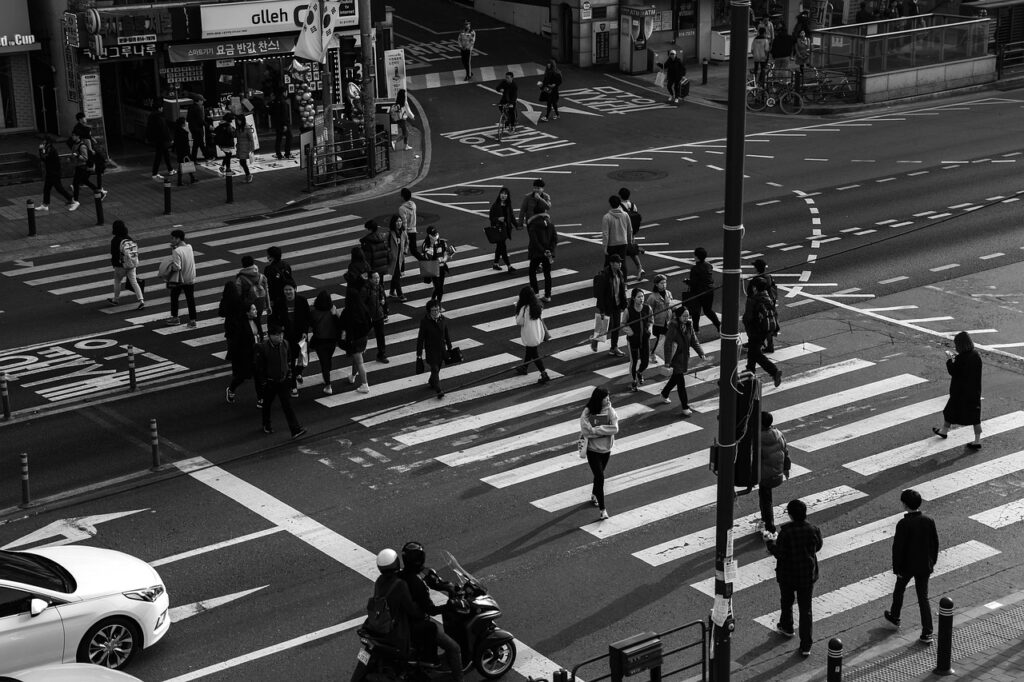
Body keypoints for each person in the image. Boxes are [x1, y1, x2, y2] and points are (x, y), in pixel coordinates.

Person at [765, 498, 823, 657]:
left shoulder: (786, 532)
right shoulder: (813, 529)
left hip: (788, 575)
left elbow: (780, 554)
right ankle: (806, 645)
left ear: (790, 515)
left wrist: (769, 543)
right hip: (806, 575)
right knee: (806, 610)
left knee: (787, 600)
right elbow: (818, 546)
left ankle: (787, 627)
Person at [398, 542, 463, 681]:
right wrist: (450, 606)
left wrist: (448, 587)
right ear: (420, 558)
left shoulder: (400, 575)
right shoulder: (417, 583)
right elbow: (431, 610)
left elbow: (436, 581)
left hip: (402, 623)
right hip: (417, 624)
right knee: (454, 648)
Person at [884, 489, 940, 643]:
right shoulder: (928, 520)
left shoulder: (903, 524)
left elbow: (898, 549)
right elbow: (935, 543)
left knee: (899, 590)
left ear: (905, 505)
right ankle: (927, 632)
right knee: (923, 598)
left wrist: (897, 569)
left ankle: (895, 616)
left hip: (907, 566)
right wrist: (932, 562)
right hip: (924, 566)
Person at [363, 549, 423, 660]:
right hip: (395, 626)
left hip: (380, 620)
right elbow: (410, 608)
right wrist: (421, 612)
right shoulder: (400, 584)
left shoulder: (379, 580)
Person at [254, 323, 306, 438]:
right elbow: (259, 368)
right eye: (277, 335)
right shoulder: (262, 348)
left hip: (282, 381)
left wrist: (289, 375)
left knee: (287, 405)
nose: (280, 337)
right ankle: (266, 424)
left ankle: (295, 429)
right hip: (270, 382)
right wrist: (263, 382)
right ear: (270, 336)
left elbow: (288, 360)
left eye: (281, 335)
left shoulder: (285, 344)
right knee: (267, 404)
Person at [932, 331, 983, 448]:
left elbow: (954, 371)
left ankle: (944, 431)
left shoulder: (961, 358)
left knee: (950, 411)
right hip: (974, 392)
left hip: (959, 392)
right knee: (975, 417)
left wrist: (950, 360)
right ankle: (977, 440)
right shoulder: (976, 355)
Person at [579, 387, 619, 520]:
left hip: (606, 450)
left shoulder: (610, 411)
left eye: (608, 397)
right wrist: (603, 431)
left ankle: (594, 494)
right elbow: (585, 431)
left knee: (598, 476)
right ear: (598, 398)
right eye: (605, 397)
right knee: (600, 477)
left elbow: (615, 428)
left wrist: (596, 430)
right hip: (592, 451)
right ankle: (602, 509)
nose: (608, 399)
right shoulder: (587, 412)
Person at [659, 305, 705, 417]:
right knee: (681, 383)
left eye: (687, 316)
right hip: (675, 358)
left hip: (684, 357)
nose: (686, 318)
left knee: (675, 378)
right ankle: (685, 407)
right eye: (684, 316)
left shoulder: (689, 325)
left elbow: (694, 340)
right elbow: (668, 345)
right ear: (679, 316)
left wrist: (701, 352)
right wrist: (667, 362)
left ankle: (664, 393)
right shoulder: (673, 327)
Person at [269, 280, 311, 398]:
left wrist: (305, 331)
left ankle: (298, 373)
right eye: (285, 290)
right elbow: (274, 318)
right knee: (290, 361)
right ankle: (293, 386)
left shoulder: (302, 301)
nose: (288, 292)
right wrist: (279, 329)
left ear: (295, 289)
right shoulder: (280, 302)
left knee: (304, 359)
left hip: (300, 335)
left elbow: (307, 317)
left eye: (290, 289)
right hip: (287, 337)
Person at [219, 280, 258, 404]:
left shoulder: (225, 300)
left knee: (234, 349)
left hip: (230, 328)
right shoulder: (238, 300)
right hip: (240, 329)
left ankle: (236, 369)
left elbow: (221, 312)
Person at [343, 248, 373, 393]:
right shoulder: (364, 309)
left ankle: (365, 384)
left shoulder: (350, 310)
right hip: (363, 336)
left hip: (355, 337)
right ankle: (353, 375)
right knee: (358, 356)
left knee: (359, 360)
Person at [743, 278, 783, 387]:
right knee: (753, 350)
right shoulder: (768, 297)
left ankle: (774, 371)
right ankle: (749, 370)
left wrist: (748, 328)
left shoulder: (753, 299)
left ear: (755, 287)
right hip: (766, 329)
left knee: (756, 353)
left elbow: (748, 317)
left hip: (756, 329)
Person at [758, 412, 791, 534]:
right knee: (766, 497)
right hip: (778, 473)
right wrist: (786, 468)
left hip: (764, 475)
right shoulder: (778, 434)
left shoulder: (758, 438)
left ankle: (769, 526)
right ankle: (765, 521)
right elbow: (785, 451)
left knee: (765, 499)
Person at [416, 299, 453, 399]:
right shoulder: (425, 322)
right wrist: (419, 354)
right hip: (431, 351)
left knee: (437, 369)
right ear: (429, 311)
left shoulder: (443, 319)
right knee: (435, 369)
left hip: (441, 350)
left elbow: (446, 334)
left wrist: (449, 346)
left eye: (437, 309)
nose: (436, 312)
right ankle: (438, 390)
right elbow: (421, 338)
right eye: (433, 310)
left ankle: (432, 381)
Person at [591, 255, 627, 356]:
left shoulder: (620, 273)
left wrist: (624, 304)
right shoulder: (604, 276)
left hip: (617, 304)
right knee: (607, 325)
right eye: (617, 262)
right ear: (611, 263)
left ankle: (614, 348)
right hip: (608, 305)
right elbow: (601, 295)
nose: (620, 264)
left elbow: (622, 290)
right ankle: (595, 339)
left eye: (620, 262)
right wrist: (602, 309)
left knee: (616, 326)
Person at [514, 286, 551, 384]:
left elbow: (519, 321)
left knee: (534, 354)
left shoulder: (525, 308)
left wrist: (517, 311)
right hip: (537, 332)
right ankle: (524, 367)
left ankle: (544, 373)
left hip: (529, 334)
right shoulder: (537, 305)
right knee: (530, 350)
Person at [309, 291, 342, 395]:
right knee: (328, 359)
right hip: (332, 340)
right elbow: (339, 323)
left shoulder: (314, 312)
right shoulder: (332, 309)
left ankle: (328, 385)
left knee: (323, 362)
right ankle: (327, 377)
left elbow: (311, 324)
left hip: (319, 340)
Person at [107, 220, 145, 309]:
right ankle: (141, 300)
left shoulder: (115, 240)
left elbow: (114, 254)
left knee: (117, 281)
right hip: (131, 263)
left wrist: (115, 264)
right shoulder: (129, 238)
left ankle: (116, 299)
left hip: (120, 265)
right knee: (134, 281)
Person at [686, 247, 722, 338]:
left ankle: (696, 331)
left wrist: (687, 281)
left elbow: (694, 283)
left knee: (696, 312)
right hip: (709, 291)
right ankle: (718, 325)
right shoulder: (708, 265)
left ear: (696, 257)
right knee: (708, 310)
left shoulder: (695, 268)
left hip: (699, 292)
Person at [36, 135, 77, 212]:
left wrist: (40, 150)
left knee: (59, 188)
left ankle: (73, 201)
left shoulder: (51, 150)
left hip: (54, 173)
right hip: (50, 172)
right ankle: (45, 204)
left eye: (43, 141)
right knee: (46, 188)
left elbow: (44, 158)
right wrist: (42, 150)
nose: (42, 142)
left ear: (47, 142)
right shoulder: (48, 148)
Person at [747, 258, 779, 353]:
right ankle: (770, 345)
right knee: (770, 324)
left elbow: (750, 293)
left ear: (756, 268)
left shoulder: (756, 280)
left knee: (755, 324)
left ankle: (757, 343)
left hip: (759, 305)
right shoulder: (769, 277)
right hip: (770, 303)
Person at [166, 229, 198, 327]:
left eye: (172, 238)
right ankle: (193, 320)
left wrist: (169, 267)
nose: (171, 240)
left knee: (174, 297)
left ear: (178, 239)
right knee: (190, 299)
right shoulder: (189, 247)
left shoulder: (176, 251)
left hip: (180, 280)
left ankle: (175, 318)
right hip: (190, 278)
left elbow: (177, 267)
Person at [235, 255, 271, 341]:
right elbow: (266, 292)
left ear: (243, 265)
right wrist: (268, 305)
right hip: (260, 303)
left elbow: (238, 294)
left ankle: (254, 341)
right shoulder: (261, 276)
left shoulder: (241, 278)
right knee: (257, 320)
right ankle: (261, 339)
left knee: (250, 323)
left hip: (248, 305)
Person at [623, 288, 652, 392]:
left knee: (645, 362)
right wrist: (629, 331)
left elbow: (650, 320)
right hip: (633, 340)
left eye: (643, 296)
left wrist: (649, 329)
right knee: (634, 361)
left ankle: (640, 372)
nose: (641, 299)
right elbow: (623, 324)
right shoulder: (628, 310)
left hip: (645, 339)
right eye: (639, 297)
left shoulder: (647, 308)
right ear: (634, 298)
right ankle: (634, 381)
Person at [526, 209, 556, 304]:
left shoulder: (533, 226)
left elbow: (534, 241)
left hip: (537, 253)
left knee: (532, 271)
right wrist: (549, 250)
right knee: (547, 274)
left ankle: (535, 293)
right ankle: (548, 295)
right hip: (548, 254)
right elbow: (555, 239)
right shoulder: (550, 225)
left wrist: (542, 250)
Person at [417, 226, 452, 303]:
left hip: (442, 268)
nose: (435, 236)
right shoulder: (426, 245)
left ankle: (436, 303)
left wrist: (445, 258)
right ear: (429, 235)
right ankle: (434, 303)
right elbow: (427, 258)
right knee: (438, 288)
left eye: (436, 233)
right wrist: (432, 245)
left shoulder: (442, 242)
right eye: (433, 234)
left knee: (440, 289)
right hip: (433, 268)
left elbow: (445, 252)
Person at [602, 195, 633, 281]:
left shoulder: (606, 217)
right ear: (619, 204)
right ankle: (624, 282)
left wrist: (605, 246)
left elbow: (605, 233)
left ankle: (607, 280)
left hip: (611, 244)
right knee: (622, 263)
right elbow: (630, 229)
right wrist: (629, 242)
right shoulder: (625, 215)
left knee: (608, 263)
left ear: (610, 204)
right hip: (623, 243)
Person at [488, 187, 518, 273]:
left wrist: (517, 225)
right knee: (503, 247)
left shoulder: (508, 205)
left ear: (508, 196)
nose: (503, 195)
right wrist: (498, 219)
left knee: (499, 247)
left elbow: (511, 216)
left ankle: (495, 263)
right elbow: (491, 218)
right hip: (498, 230)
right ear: (499, 194)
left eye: (505, 194)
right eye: (502, 193)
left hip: (505, 230)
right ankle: (509, 266)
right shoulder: (495, 205)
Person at [360, 219, 392, 294]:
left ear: (369, 229)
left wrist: (366, 270)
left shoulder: (367, 241)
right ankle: (382, 298)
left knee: (372, 287)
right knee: (380, 284)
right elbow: (387, 253)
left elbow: (367, 258)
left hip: (373, 269)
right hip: (382, 267)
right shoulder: (382, 238)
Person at [70, 130, 102, 206]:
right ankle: (100, 192)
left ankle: (76, 201)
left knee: (76, 183)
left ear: (78, 136)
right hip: (78, 166)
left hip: (82, 167)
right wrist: (71, 158)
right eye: (72, 135)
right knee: (85, 181)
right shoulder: (74, 145)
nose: (72, 137)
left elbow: (85, 158)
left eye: (74, 135)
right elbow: (74, 154)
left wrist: (77, 156)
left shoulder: (82, 146)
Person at [618, 188, 644, 279]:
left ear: (620, 196)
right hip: (632, 232)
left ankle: (620, 273)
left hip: (623, 232)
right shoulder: (633, 205)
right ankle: (640, 268)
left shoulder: (620, 207)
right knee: (632, 251)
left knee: (621, 252)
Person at [648, 274, 674, 364]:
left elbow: (671, 305)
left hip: (668, 321)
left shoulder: (669, 293)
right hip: (658, 323)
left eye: (665, 282)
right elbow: (649, 311)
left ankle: (655, 354)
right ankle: (653, 354)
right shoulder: (652, 297)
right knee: (661, 339)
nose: (664, 284)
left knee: (664, 339)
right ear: (656, 284)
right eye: (662, 283)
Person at [146, 104, 174, 180]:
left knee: (166, 154)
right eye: (162, 107)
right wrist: (169, 138)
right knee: (159, 156)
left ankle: (170, 169)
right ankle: (155, 173)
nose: (162, 109)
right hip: (161, 139)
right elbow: (164, 128)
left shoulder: (151, 116)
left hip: (156, 138)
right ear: (159, 108)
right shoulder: (159, 116)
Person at [367, 272, 390, 363]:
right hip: (369, 316)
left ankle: (382, 354)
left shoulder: (380, 287)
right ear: (370, 279)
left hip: (379, 315)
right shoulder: (366, 289)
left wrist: (385, 309)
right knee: (363, 333)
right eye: (375, 278)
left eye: (378, 277)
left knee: (380, 335)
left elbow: (383, 298)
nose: (377, 280)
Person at [387, 214, 410, 302]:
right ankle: (400, 294)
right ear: (393, 223)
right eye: (397, 221)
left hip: (400, 258)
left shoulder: (403, 232)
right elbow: (386, 244)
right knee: (397, 276)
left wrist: (405, 251)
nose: (399, 223)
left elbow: (407, 242)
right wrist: (390, 252)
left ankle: (392, 292)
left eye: (400, 221)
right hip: (393, 258)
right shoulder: (390, 233)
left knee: (396, 275)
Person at [172, 117, 197, 186]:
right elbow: (185, 143)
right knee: (185, 165)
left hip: (180, 151)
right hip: (184, 151)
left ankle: (192, 178)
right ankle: (180, 181)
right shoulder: (183, 132)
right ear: (182, 124)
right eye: (185, 122)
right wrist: (188, 152)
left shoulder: (177, 131)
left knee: (186, 164)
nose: (186, 123)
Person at [270, 92, 292, 159]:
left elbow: (271, 113)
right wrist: (285, 124)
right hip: (283, 124)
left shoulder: (274, 102)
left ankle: (278, 154)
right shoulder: (283, 102)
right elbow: (284, 114)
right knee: (289, 137)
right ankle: (287, 153)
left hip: (277, 124)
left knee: (278, 139)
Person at [186, 93, 208, 160]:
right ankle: (206, 157)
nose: (202, 102)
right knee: (199, 144)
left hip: (192, 128)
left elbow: (187, 119)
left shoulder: (190, 107)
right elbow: (200, 120)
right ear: (198, 101)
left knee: (198, 144)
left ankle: (197, 158)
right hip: (198, 129)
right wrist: (207, 126)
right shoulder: (198, 108)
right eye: (202, 100)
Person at [235, 117, 255, 183]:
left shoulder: (247, 128)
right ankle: (248, 175)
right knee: (242, 162)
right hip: (240, 147)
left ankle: (248, 175)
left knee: (242, 162)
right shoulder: (238, 127)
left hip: (246, 147)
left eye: (239, 120)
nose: (238, 122)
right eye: (237, 120)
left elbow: (251, 139)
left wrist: (252, 149)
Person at [399, 188, 419, 253]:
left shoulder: (402, 208)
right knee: (414, 251)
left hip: (407, 232)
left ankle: (425, 261)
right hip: (414, 230)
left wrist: (404, 234)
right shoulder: (413, 204)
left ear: (402, 197)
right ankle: (424, 261)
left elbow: (404, 222)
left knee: (402, 251)